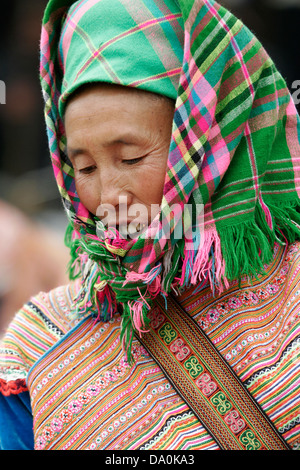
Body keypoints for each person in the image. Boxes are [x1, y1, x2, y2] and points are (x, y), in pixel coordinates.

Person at [0, 0, 299, 451]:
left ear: (206, 139)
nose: (108, 196)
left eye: (132, 157)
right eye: (83, 167)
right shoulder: (38, 342)